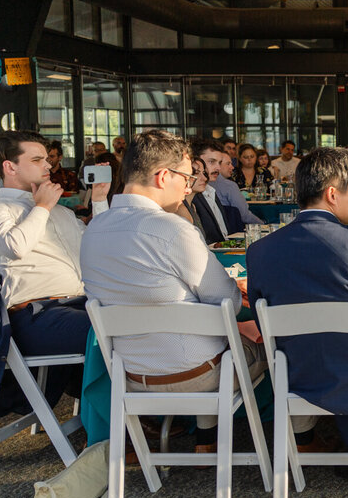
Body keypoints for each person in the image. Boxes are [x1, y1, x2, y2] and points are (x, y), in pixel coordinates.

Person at [79, 130, 268, 457]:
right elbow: (227, 303)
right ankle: (296, 443)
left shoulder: (94, 228)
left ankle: (206, 441)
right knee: (269, 350)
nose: (188, 184)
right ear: (163, 175)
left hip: (132, 375)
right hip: (202, 373)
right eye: (184, 175)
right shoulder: (172, 229)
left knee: (211, 337)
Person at [248, 147, 348, 481]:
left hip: (296, 370)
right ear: (332, 194)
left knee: (334, 348)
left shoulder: (261, 251)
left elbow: (259, 312)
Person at [0, 131, 111, 396]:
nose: (48, 165)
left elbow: (99, 250)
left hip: (81, 304)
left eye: (47, 159)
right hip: (35, 315)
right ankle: (119, 421)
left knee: (139, 320)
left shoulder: (62, 212)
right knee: (117, 331)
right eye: (37, 160)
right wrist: (43, 208)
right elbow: (15, 247)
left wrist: (99, 200)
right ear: (10, 166)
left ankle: (126, 415)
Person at [205, 145, 264, 225]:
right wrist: (263, 224)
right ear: (218, 165)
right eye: (228, 164)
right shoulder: (230, 186)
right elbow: (244, 215)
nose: (232, 167)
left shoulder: (203, 183)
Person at [181, 157, 227, 244]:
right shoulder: (181, 209)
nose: (205, 178)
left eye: (203, 173)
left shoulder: (192, 206)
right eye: (196, 173)